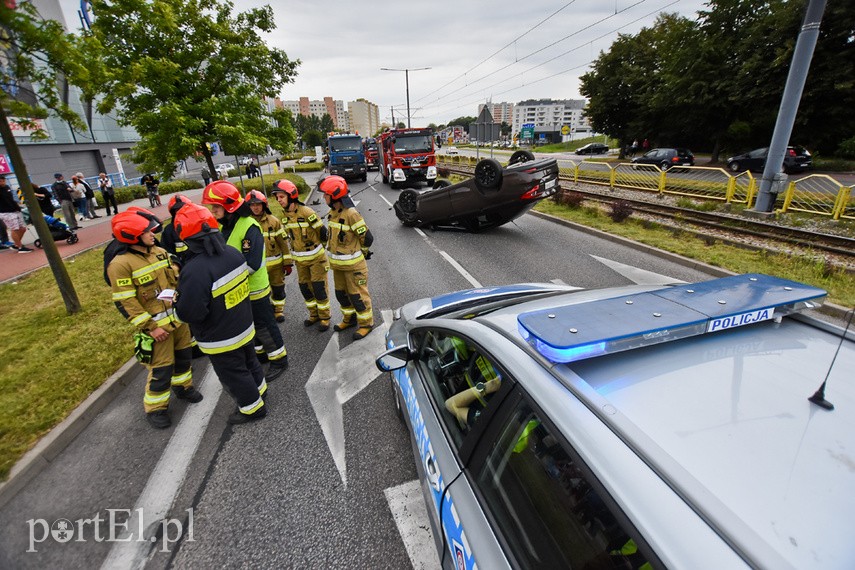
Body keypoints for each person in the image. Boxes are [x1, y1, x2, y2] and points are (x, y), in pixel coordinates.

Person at [105, 207, 202, 429]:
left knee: (183, 358)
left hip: (177, 320)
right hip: (157, 328)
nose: (152, 234)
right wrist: (151, 328)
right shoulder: (120, 265)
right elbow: (125, 301)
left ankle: (183, 387)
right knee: (161, 368)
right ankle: (156, 408)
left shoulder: (158, 251)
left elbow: (176, 275)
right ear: (131, 236)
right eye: (147, 231)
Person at [173, 203, 267, 424]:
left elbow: (190, 312)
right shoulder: (233, 254)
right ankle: (261, 390)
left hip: (221, 337)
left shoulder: (195, 270)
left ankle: (252, 408)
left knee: (234, 373)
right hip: (244, 326)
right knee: (251, 362)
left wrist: (177, 303)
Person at [202, 180, 289, 380]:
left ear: (229, 207)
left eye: (216, 207)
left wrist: (224, 279)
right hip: (238, 291)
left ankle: (279, 359)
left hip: (255, 289)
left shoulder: (250, 226)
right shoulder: (224, 227)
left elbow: (253, 263)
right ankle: (261, 354)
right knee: (250, 326)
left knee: (265, 325)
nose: (213, 211)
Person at [319, 175, 375, 340]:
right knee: (341, 295)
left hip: (354, 268)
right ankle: (349, 320)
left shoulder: (351, 214)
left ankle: (366, 324)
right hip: (338, 267)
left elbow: (368, 238)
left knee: (358, 296)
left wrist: (362, 251)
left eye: (326, 194)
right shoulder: (333, 213)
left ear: (335, 195)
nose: (323, 197)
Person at [271, 179, 331, 329]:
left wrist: (321, 251)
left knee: (319, 289)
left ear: (291, 196)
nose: (279, 200)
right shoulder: (284, 216)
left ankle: (325, 317)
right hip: (300, 262)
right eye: (277, 197)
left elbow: (324, 234)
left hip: (316, 259)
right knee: (305, 289)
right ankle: (314, 315)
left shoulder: (307, 212)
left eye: (281, 197)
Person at [246, 190, 293, 323]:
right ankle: (266, 311)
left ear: (264, 205)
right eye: (252, 205)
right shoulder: (246, 223)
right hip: (257, 269)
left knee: (278, 288)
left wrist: (287, 262)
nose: (255, 207)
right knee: (261, 292)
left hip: (276, 265)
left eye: (258, 204)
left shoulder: (274, 221)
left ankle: (278, 310)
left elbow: (283, 243)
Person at [0, 175, 32, 253]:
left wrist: (17, 207)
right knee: (15, 229)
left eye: (4, 180)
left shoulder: (7, 187)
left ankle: (17, 244)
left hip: (16, 210)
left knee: (23, 229)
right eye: (1, 181)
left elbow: (11, 198)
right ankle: (20, 247)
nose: (3, 182)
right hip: (6, 212)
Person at [160, 194, 191, 265]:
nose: (181, 212)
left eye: (183, 208)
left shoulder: (199, 224)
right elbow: (167, 252)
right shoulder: (169, 231)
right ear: (173, 213)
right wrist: (177, 265)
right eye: (177, 210)